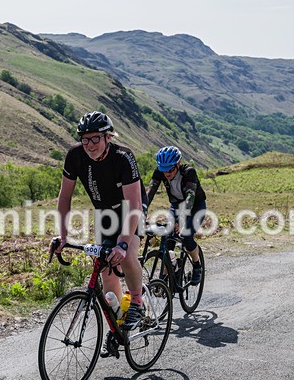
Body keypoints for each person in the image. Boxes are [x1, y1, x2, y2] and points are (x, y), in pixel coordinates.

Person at [56, 111, 146, 336]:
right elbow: (65, 197)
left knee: (127, 255)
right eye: (85, 139)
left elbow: (134, 205)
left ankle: (137, 302)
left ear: (108, 137)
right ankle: (117, 327)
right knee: (106, 269)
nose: (89, 144)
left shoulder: (123, 157)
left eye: (95, 138)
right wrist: (63, 236)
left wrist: (122, 243)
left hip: (131, 208)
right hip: (105, 212)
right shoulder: (75, 156)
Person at [145, 146, 206, 286]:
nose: (166, 173)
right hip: (176, 206)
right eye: (163, 169)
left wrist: (181, 219)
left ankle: (197, 265)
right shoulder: (160, 172)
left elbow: (190, 198)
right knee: (167, 237)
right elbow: (150, 193)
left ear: (178, 164)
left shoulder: (189, 172)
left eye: (170, 169)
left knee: (185, 235)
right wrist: (141, 211)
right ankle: (170, 270)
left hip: (195, 207)